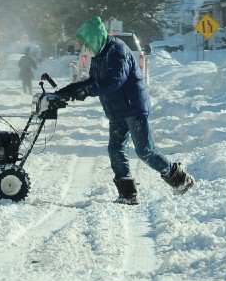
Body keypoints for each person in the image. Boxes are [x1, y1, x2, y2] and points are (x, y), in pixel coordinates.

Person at [56, 16, 195, 205]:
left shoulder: (117, 50)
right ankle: (128, 194)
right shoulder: (99, 55)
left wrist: (87, 91)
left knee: (145, 150)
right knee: (115, 149)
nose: (86, 47)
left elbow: (114, 81)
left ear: (96, 37)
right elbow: (93, 80)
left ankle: (181, 180)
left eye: (87, 42)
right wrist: (71, 89)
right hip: (117, 111)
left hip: (133, 107)